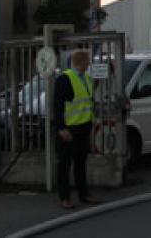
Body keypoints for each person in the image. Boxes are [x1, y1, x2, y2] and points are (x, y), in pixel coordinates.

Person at [54, 50, 101, 209]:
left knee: (81, 163)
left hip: (83, 127)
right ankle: (64, 197)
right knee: (64, 165)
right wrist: (61, 128)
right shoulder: (64, 79)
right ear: (81, 62)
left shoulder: (87, 78)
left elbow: (87, 101)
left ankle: (84, 194)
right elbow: (57, 105)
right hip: (69, 129)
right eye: (87, 61)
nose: (89, 64)